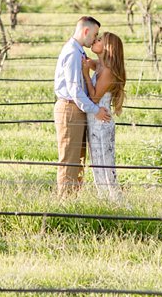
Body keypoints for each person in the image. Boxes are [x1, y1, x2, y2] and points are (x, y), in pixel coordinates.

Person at [54, 16, 111, 197]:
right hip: (70, 108)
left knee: (78, 160)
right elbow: (74, 90)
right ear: (85, 31)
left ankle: (73, 200)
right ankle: (65, 203)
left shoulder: (78, 51)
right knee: (69, 160)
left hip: (77, 109)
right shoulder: (72, 53)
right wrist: (96, 110)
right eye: (94, 35)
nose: (94, 39)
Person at [82, 32, 126, 201]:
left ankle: (116, 201)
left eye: (99, 40)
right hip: (94, 122)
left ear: (108, 48)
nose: (95, 40)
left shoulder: (107, 71)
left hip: (102, 123)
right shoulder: (100, 65)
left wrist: (86, 74)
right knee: (97, 164)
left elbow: (94, 98)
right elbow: (89, 62)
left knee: (106, 165)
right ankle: (104, 200)